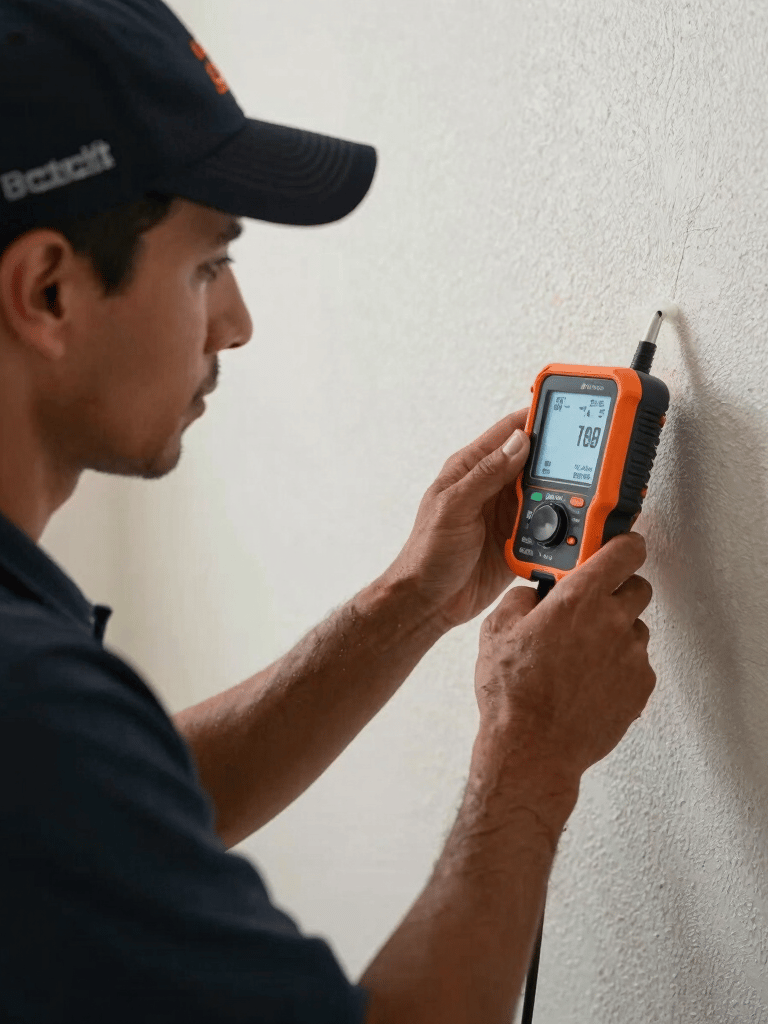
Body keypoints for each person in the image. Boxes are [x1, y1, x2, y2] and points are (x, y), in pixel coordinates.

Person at [0, 1, 657, 1022]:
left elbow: (104, 812)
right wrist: (529, 755)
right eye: (208, 266)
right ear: (48, 292)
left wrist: (411, 600)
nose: (237, 323)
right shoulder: (28, 704)